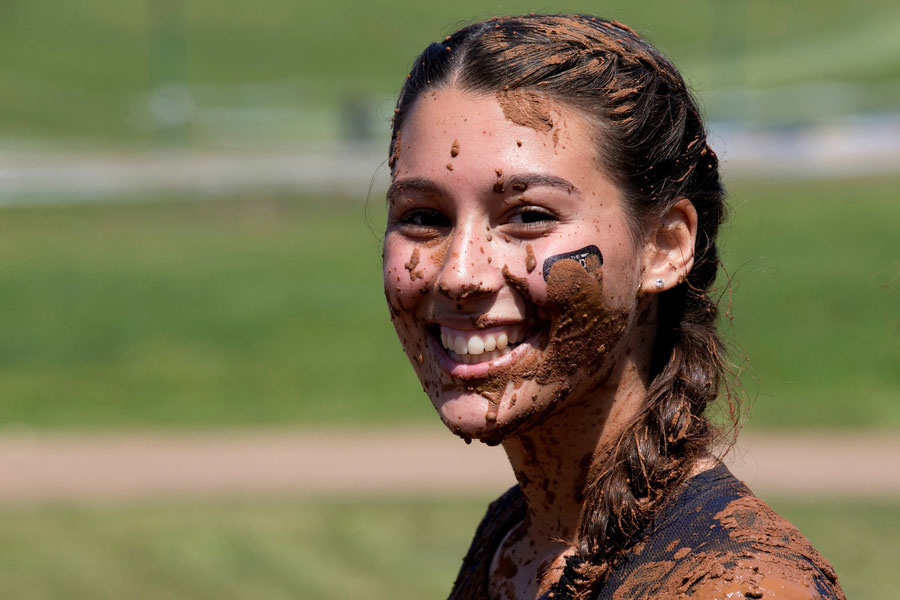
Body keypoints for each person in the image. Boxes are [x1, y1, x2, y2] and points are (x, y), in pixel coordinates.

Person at [382, 14, 844, 600]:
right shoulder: (515, 541)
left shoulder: (738, 585)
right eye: (425, 217)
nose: (459, 274)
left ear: (665, 247)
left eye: (529, 216)